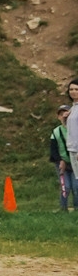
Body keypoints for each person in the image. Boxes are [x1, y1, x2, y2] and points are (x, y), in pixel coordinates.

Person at [56, 79, 78, 212]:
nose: (74, 92)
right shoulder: (74, 107)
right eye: (71, 89)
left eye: (76, 89)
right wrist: (66, 117)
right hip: (72, 148)